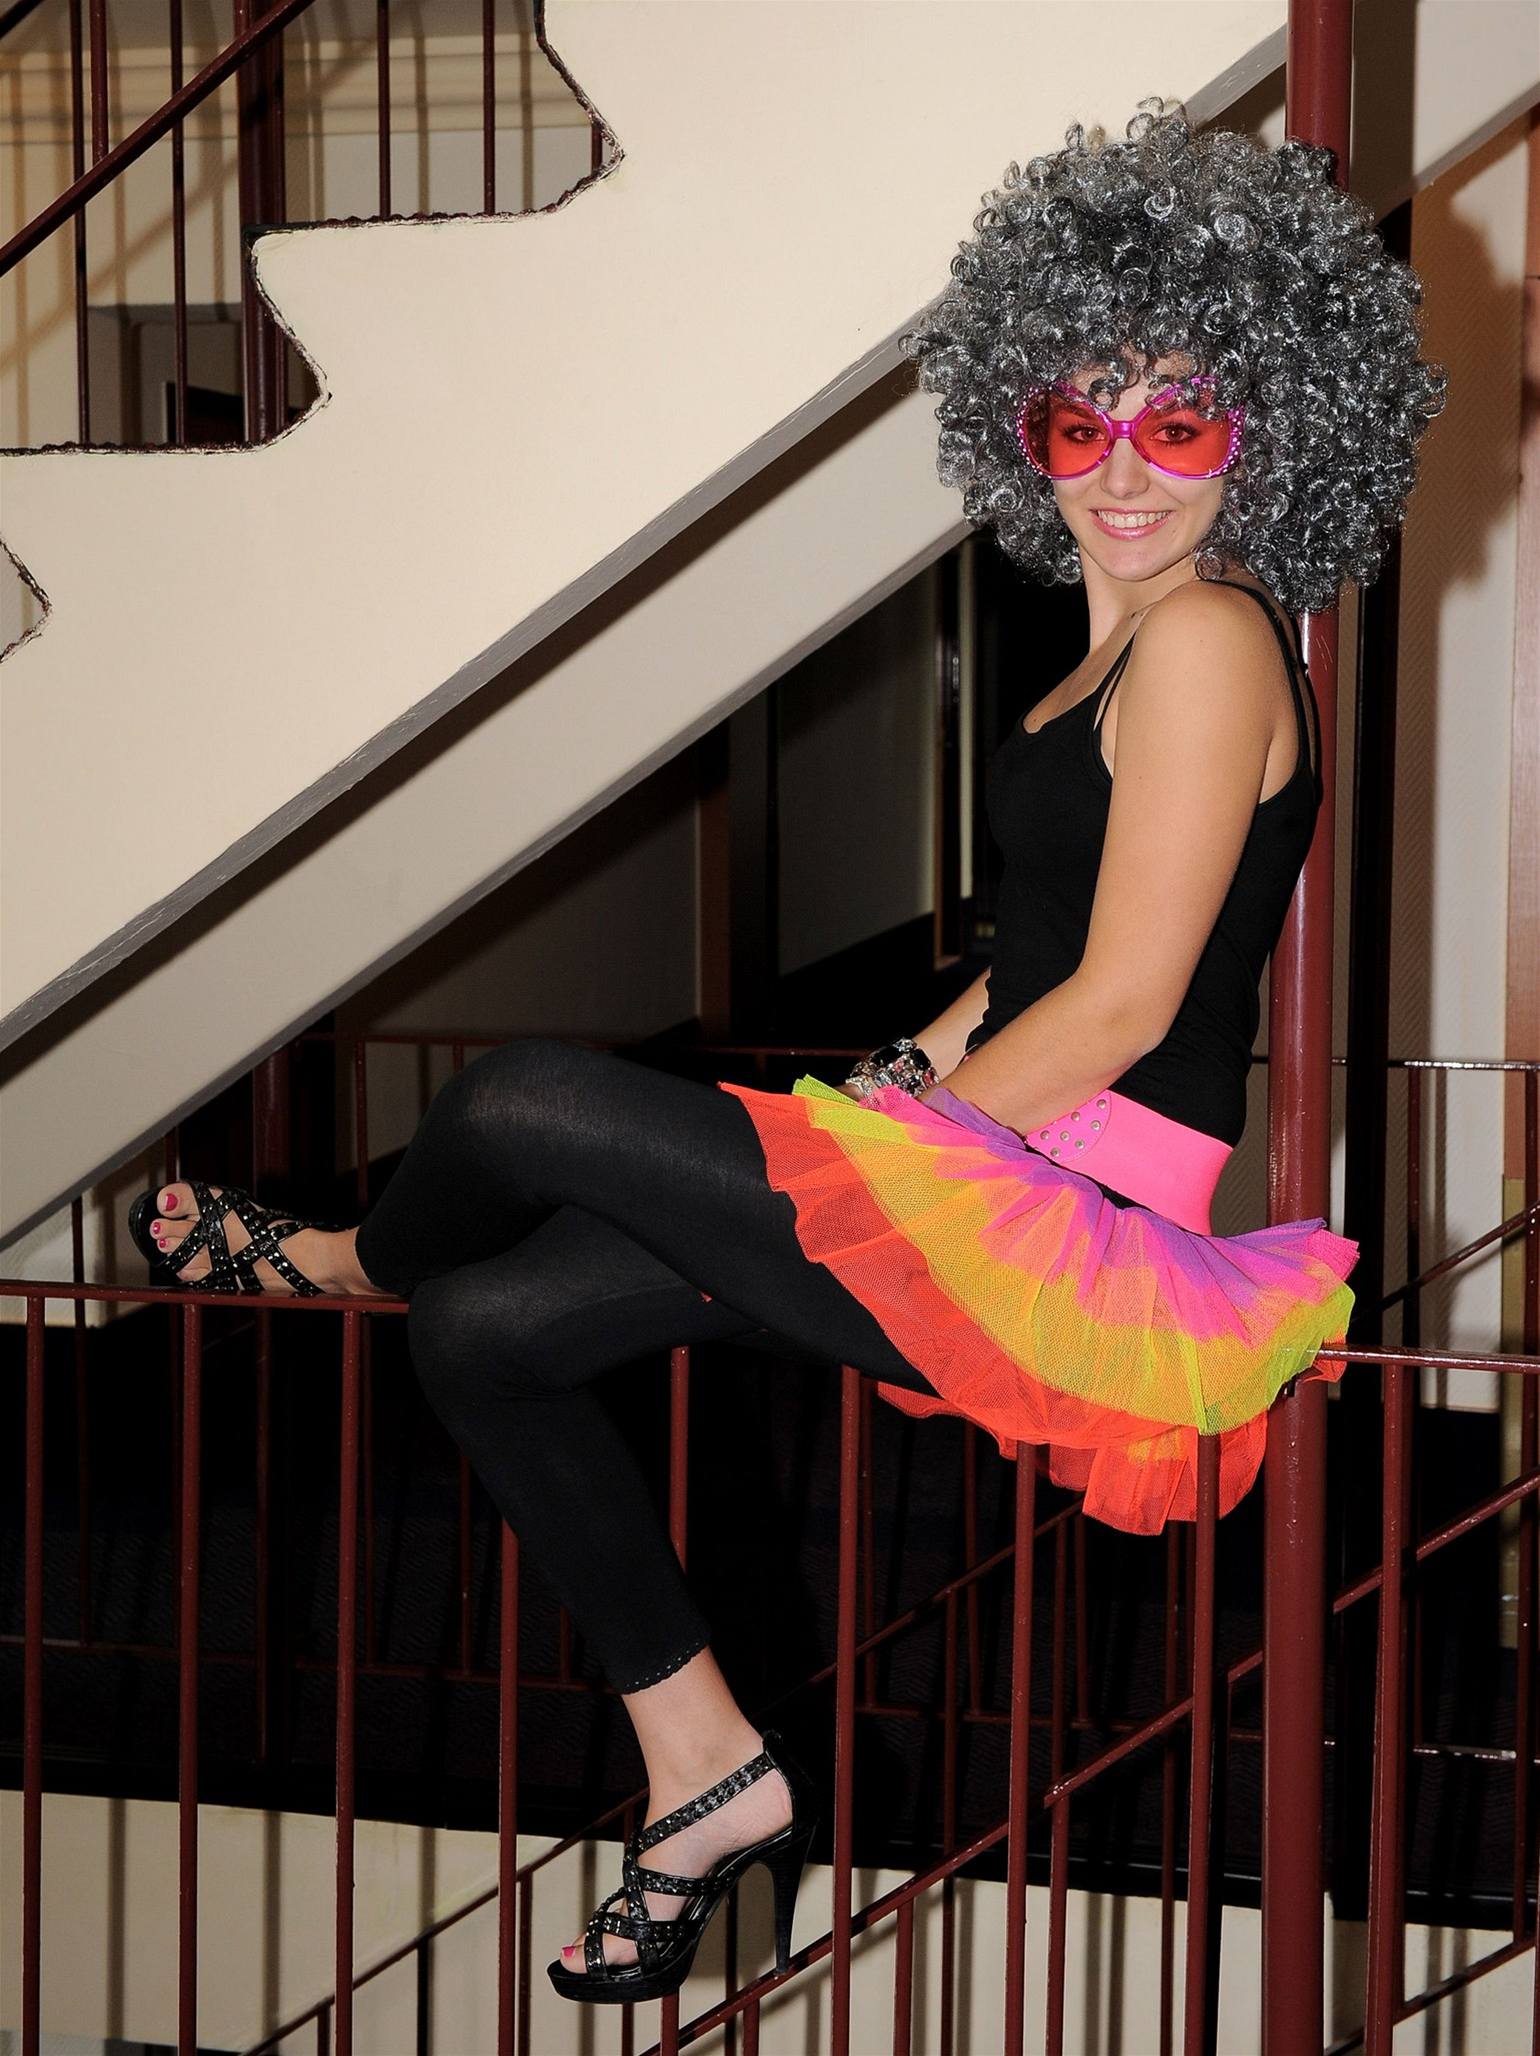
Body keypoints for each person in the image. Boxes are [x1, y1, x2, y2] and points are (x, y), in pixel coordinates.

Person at [128, 97, 1445, 2003]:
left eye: (1179, 424)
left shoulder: (1214, 637)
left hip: (1072, 1211)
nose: (1126, 472)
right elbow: (1023, 969)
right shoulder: (1104, 656)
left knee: (521, 1100)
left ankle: (330, 1253)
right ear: (1023, 429)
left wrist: (884, 1157)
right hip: (1007, 1162)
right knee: (485, 1332)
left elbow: (1124, 1006)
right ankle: (710, 1769)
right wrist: (884, 1092)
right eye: (1081, 423)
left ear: (1267, 426)